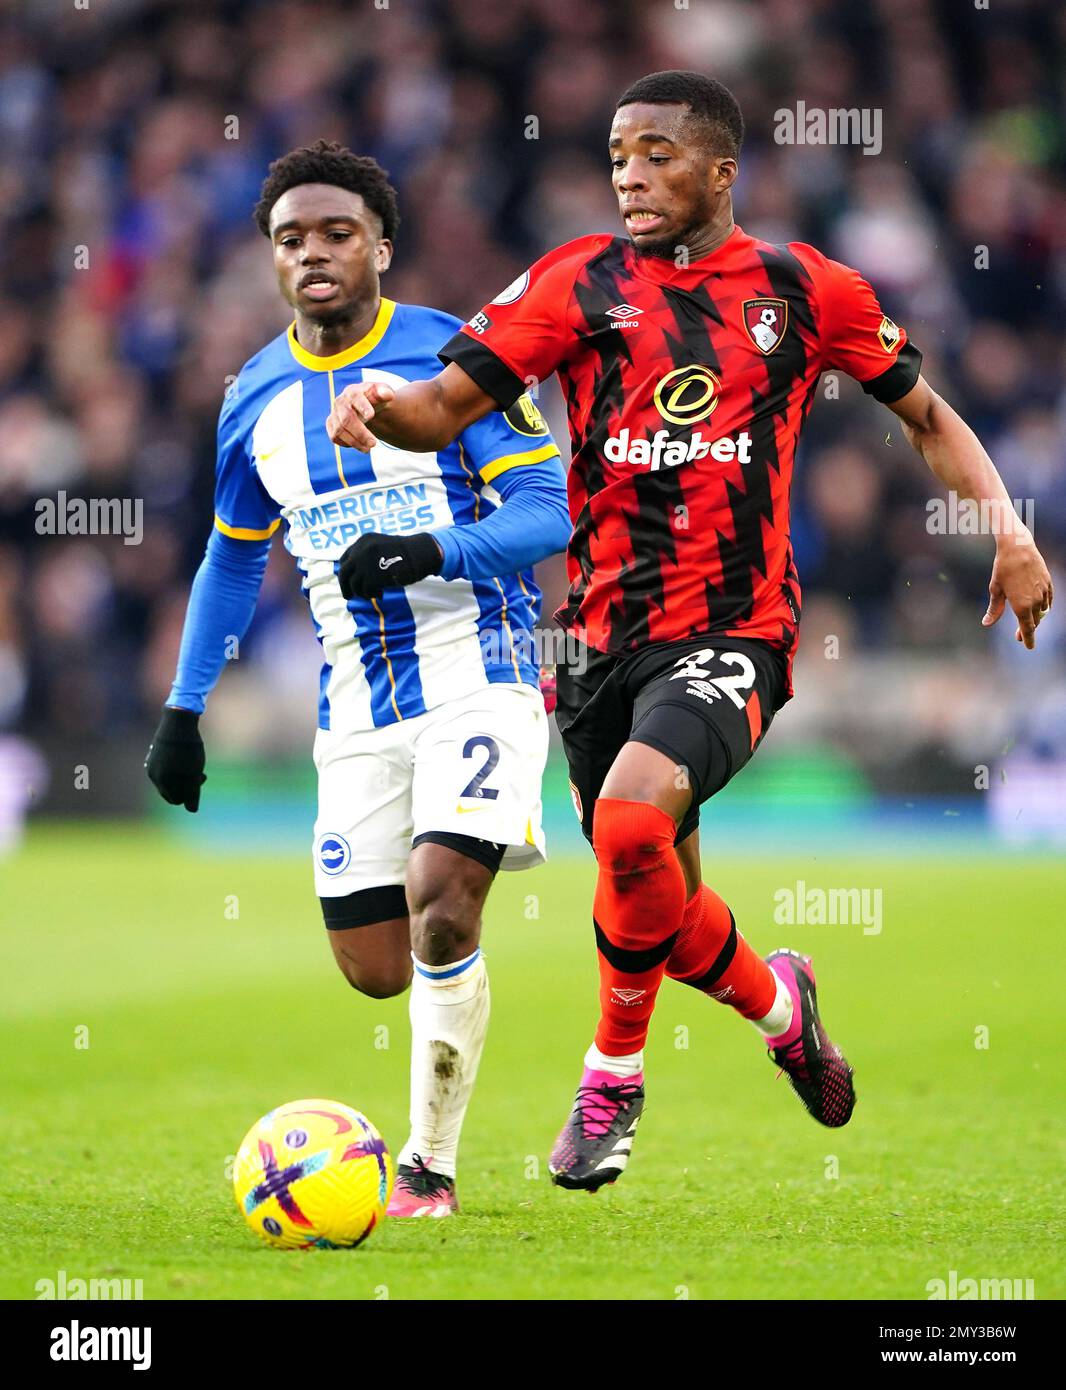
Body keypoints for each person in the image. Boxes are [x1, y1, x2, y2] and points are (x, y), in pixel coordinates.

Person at [324, 73, 1054, 1191]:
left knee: (626, 824)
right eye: (618, 154)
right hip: (595, 640)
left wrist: (1005, 529)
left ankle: (610, 1081)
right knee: (655, 900)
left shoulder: (805, 288)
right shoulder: (575, 282)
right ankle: (780, 1004)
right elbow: (441, 411)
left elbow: (927, 415)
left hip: (735, 627)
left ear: (721, 170)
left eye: (657, 153)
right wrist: (379, 402)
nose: (630, 174)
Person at [145, 141, 571, 1216]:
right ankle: (444, 996)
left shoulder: (457, 355)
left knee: (441, 903)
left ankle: (428, 1167)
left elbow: (545, 512)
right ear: (272, 261)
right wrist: (184, 708)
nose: (314, 253)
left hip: (483, 674)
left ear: (380, 244)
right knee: (376, 966)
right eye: (291, 239)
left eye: (336, 233)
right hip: (357, 709)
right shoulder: (252, 397)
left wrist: (434, 552)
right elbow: (233, 558)